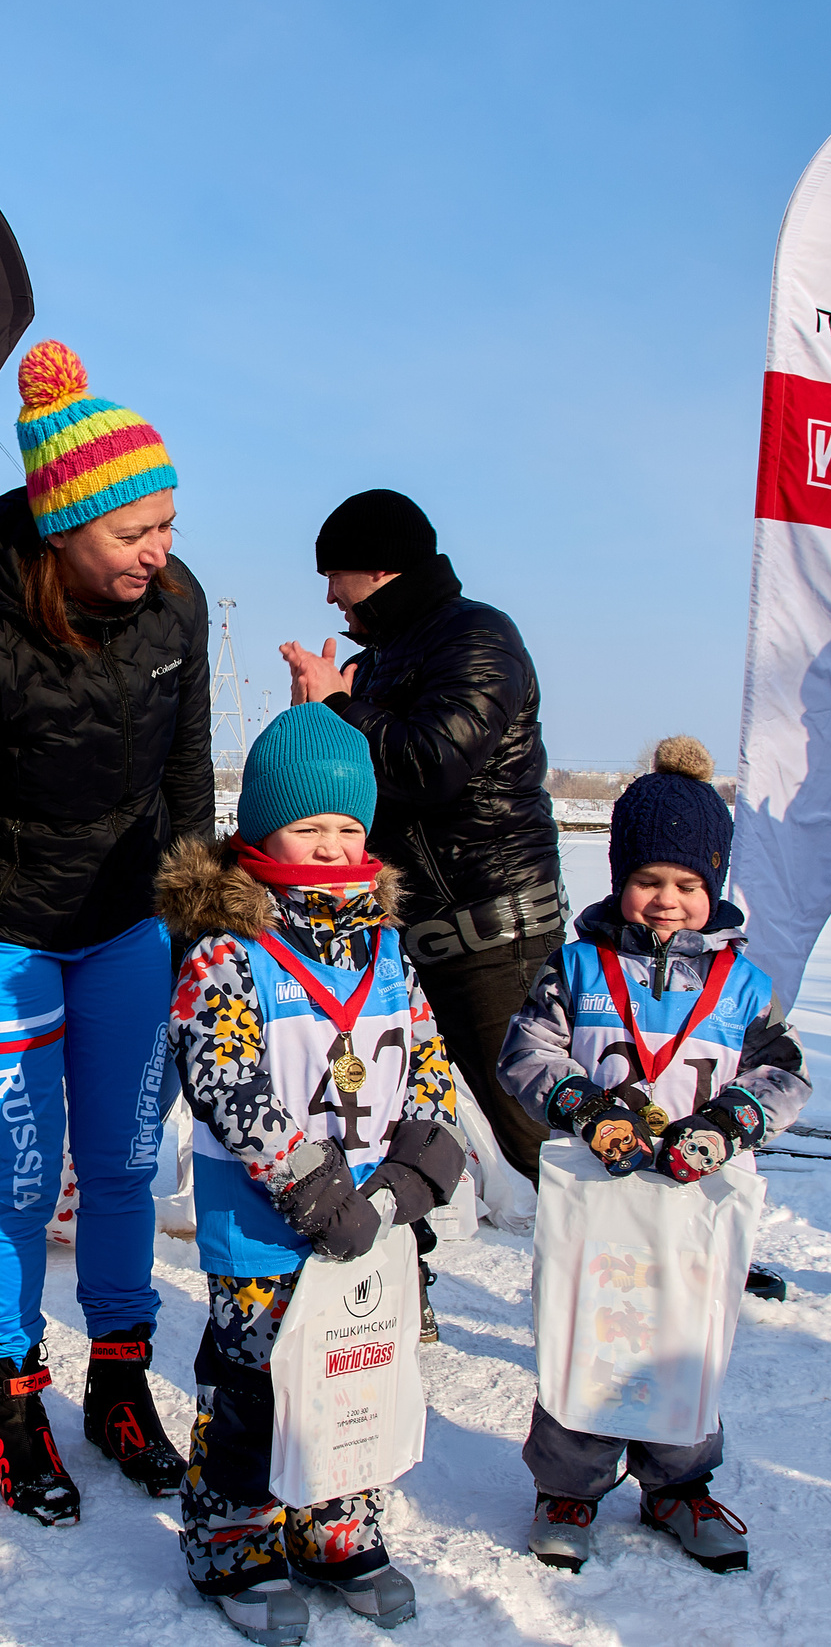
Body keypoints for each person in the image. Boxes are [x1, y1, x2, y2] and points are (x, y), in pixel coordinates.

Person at [0, 340, 209, 1524]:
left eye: (168, 524)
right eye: (135, 533)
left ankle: (119, 1383)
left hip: (126, 927)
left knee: (128, 1160)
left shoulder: (176, 608)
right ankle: (11, 1392)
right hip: (4, 935)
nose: (159, 553)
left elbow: (187, 786)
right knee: (22, 1176)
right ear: (67, 523)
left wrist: (196, 937)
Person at [156, 704, 460, 1640]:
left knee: (354, 1375)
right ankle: (236, 1539)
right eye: (308, 827)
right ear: (260, 831)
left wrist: (421, 1169)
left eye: (348, 828)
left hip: (372, 1225)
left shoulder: (387, 951)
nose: (332, 847)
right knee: (256, 1385)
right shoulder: (227, 952)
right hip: (267, 1228)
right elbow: (224, 1076)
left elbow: (430, 1065)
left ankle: (336, 1524)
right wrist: (311, 1188)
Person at [498, 737, 808, 1575]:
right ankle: (569, 1483)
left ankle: (679, 1482)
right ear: (618, 880)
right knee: (586, 1329)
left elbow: (784, 1073)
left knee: (684, 1334)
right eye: (647, 881)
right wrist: (586, 1107)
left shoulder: (745, 986)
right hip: (602, 1196)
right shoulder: (579, 966)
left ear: (713, 888)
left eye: (687, 885)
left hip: (691, 1200)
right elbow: (525, 1051)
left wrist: (726, 1124)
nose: (666, 901)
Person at [279, 492, 564, 1188]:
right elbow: (366, 794)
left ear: (378, 569)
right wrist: (316, 727)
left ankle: (643, 1274)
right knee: (396, 1129)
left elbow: (433, 761)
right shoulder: (381, 658)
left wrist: (341, 708)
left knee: (546, 1142)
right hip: (418, 936)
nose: (328, 596)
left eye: (334, 575)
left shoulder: (479, 636)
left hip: (494, 940)